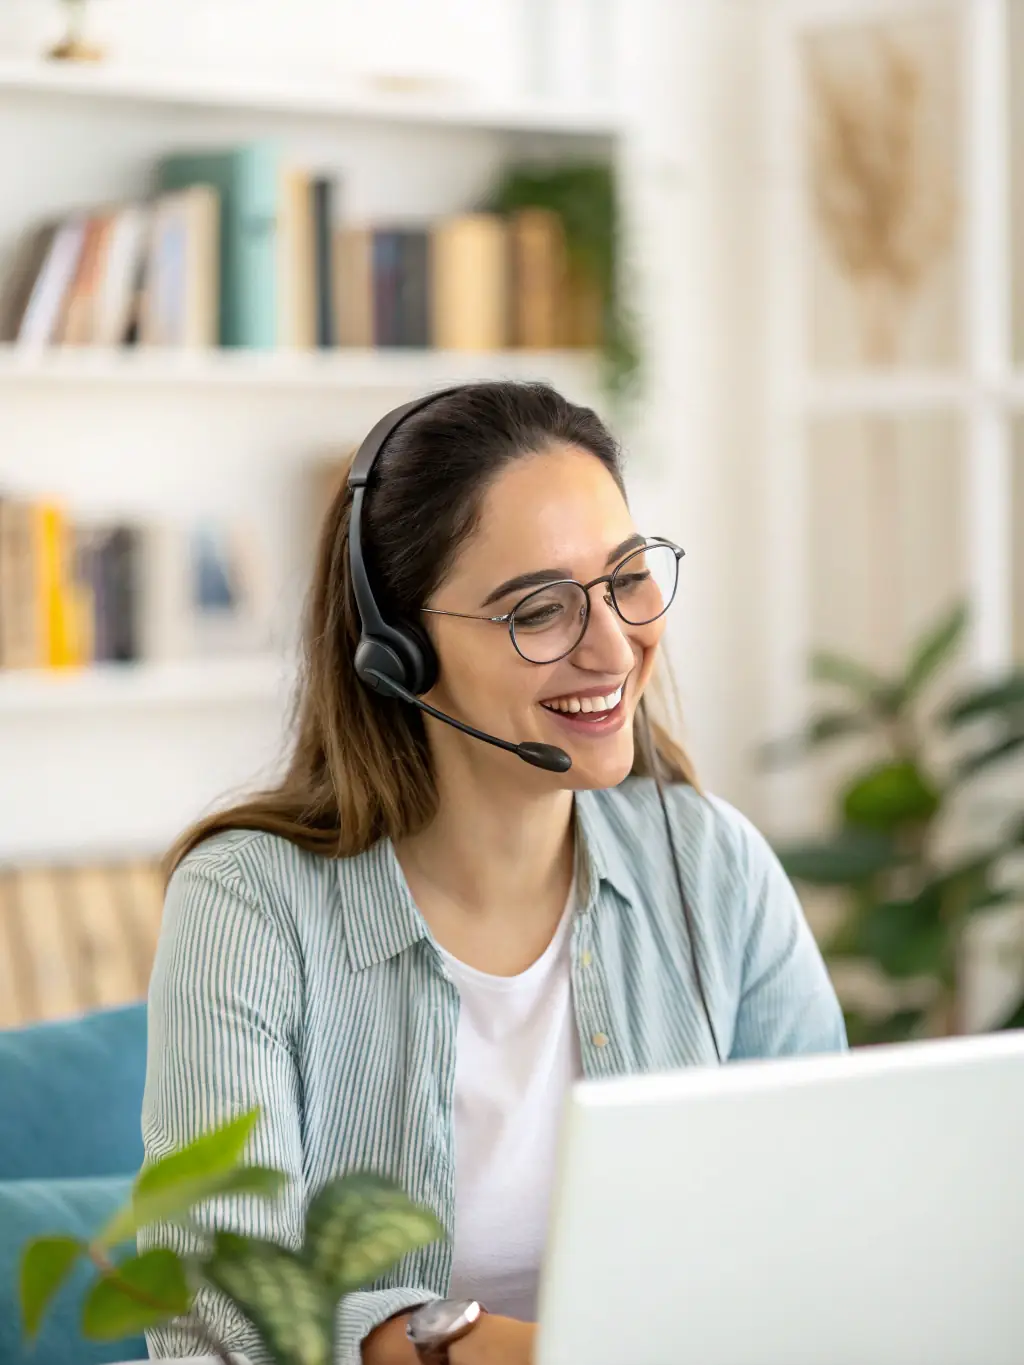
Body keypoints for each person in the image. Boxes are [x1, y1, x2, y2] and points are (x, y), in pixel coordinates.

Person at [141, 381, 846, 1365]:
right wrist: (481, 1349)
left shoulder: (710, 866)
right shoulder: (248, 906)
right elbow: (219, 1320)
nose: (611, 646)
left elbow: (830, 1220)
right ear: (398, 650)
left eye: (627, 578)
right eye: (539, 610)